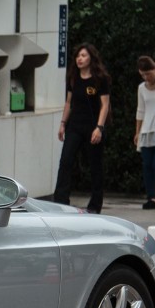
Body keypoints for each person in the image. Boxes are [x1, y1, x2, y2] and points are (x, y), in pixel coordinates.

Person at [53, 43, 111, 213]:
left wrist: (99, 127)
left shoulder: (100, 79)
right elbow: (69, 102)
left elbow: (105, 105)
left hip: (93, 127)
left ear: (91, 58)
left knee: (95, 166)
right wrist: (63, 123)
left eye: (84, 55)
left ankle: (95, 205)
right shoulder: (73, 78)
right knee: (65, 161)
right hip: (74, 127)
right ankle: (61, 201)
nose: (80, 59)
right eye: (78, 56)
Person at [135, 55, 155, 210]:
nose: (146, 77)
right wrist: (137, 132)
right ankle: (152, 197)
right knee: (147, 166)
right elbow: (140, 110)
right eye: (143, 74)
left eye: (149, 73)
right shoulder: (141, 88)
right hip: (146, 130)